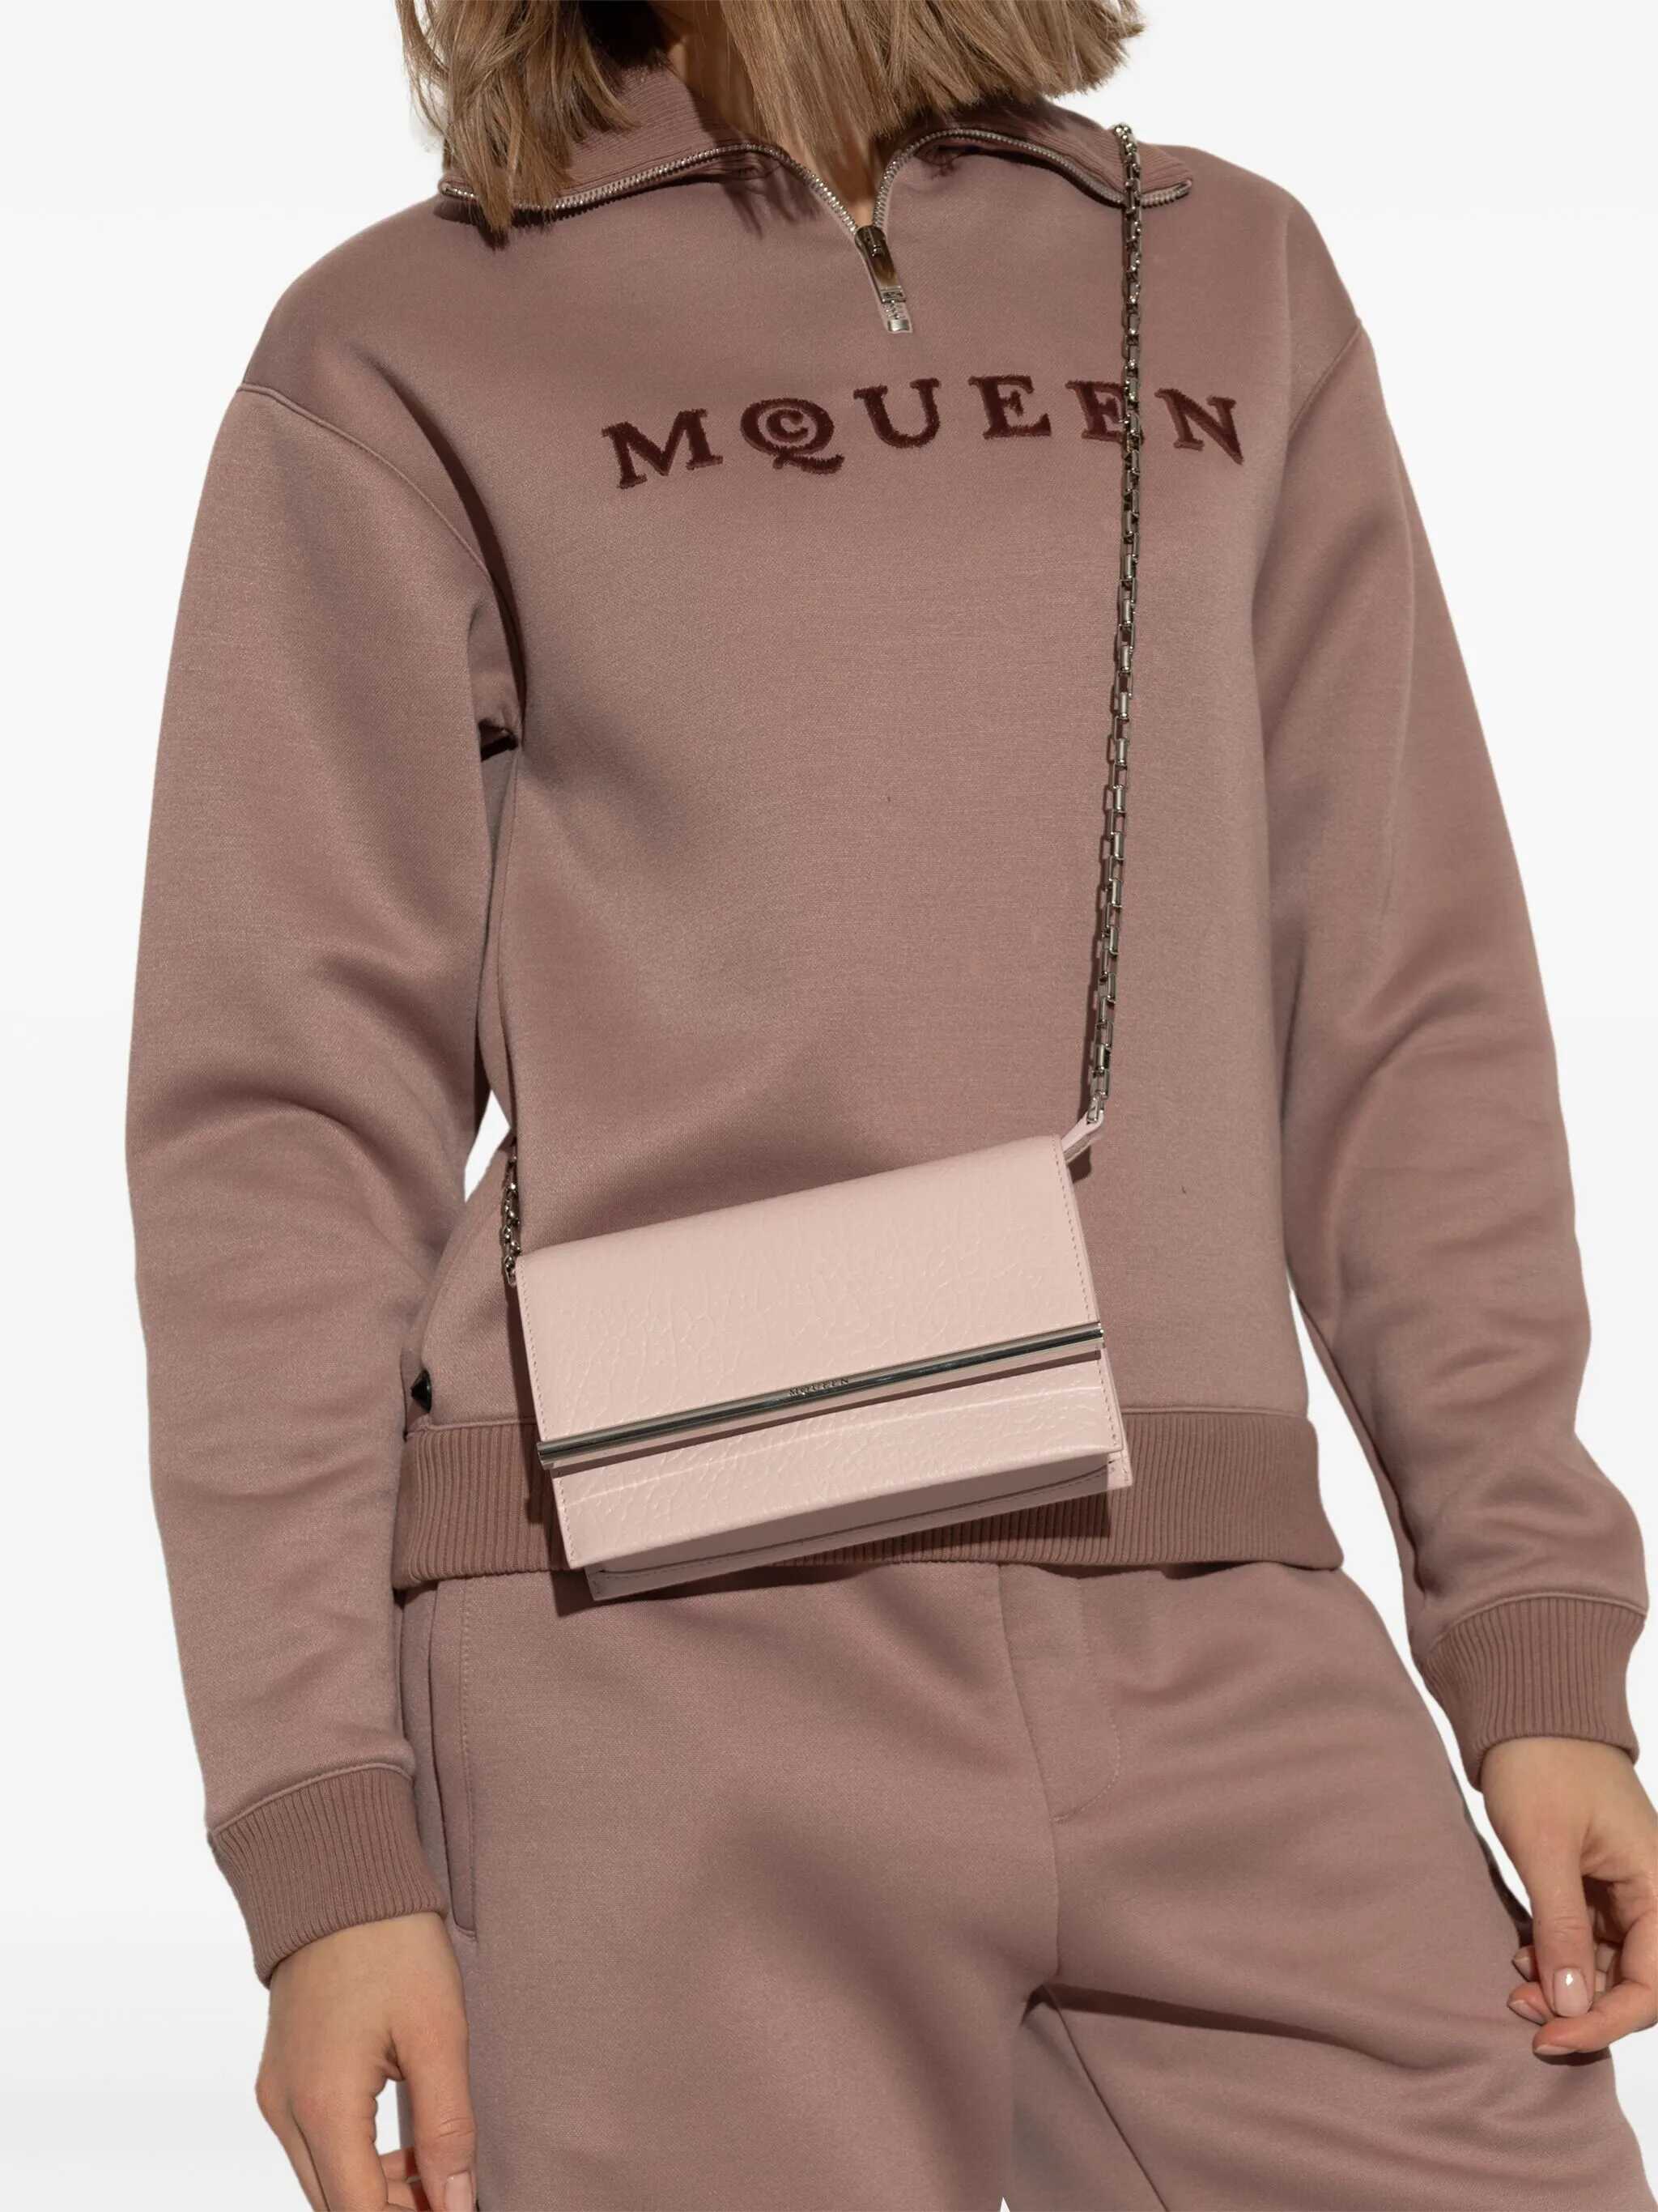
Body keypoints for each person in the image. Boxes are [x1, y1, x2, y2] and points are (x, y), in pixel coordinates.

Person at [127, 2, 1656, 2206]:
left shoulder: (1225, 267)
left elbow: (1402, 993)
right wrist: (322, 1832)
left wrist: (1536, 1642)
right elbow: (283, 1120)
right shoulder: (400, 343)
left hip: (1208, 1601)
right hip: (641, 1666)